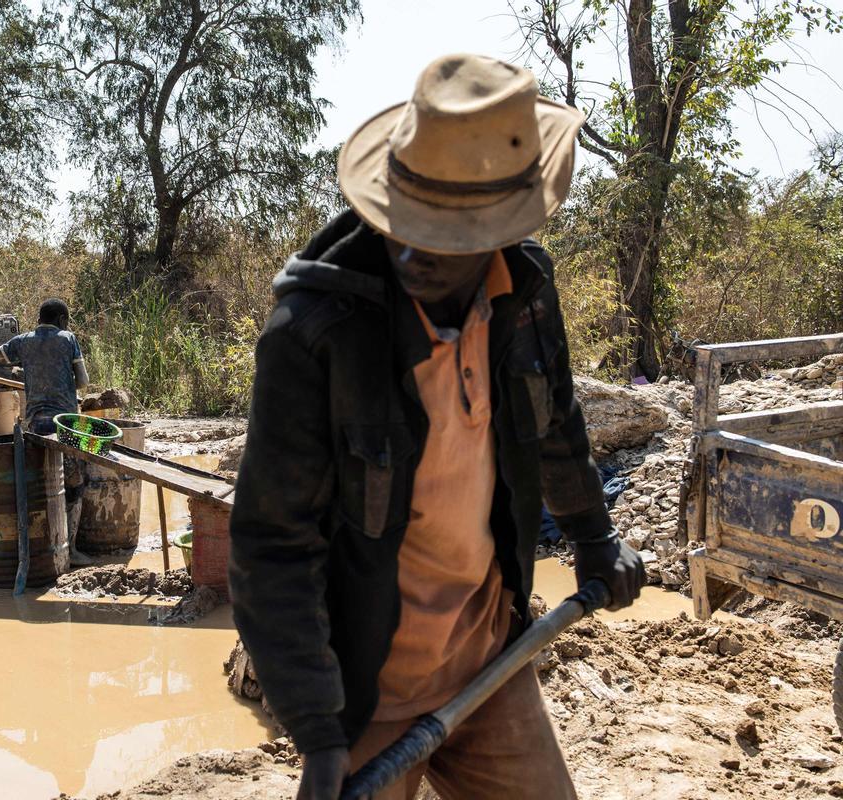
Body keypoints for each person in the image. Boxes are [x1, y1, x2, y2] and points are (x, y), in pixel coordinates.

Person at [229, 54, 645, 800]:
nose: (413, 252)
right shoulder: (315, 335)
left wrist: (594, 540)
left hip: (489, 662)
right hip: (369, 690)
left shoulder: (524, 294)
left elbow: (556, 429)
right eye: (404, 223)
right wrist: (318, 731)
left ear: (498, 229)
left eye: (443, 234)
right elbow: (271, 542)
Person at [0, 298, 93, 566]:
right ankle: (71, 551)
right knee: (74, 484)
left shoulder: (23, 341)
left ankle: (39, 545)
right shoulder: (68, 339)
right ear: (61, 320)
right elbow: (82, 381)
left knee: (43, 485)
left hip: (36, 423)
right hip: (67, 422)